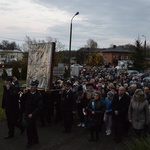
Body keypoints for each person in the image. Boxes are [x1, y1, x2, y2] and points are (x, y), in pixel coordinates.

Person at [24, 80, 43, 148]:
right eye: (31, 87)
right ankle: (36, 139)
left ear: (36, 88)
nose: (31, 88)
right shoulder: (28, 93)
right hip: (27, 113)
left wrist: (33, 114)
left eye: (33, 87)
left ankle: (30, 142)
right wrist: (24, 93)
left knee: (28, 128)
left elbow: (39, 107)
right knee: (33, 127)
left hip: (33, 114)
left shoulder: (38, 95)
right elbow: (23, 101)